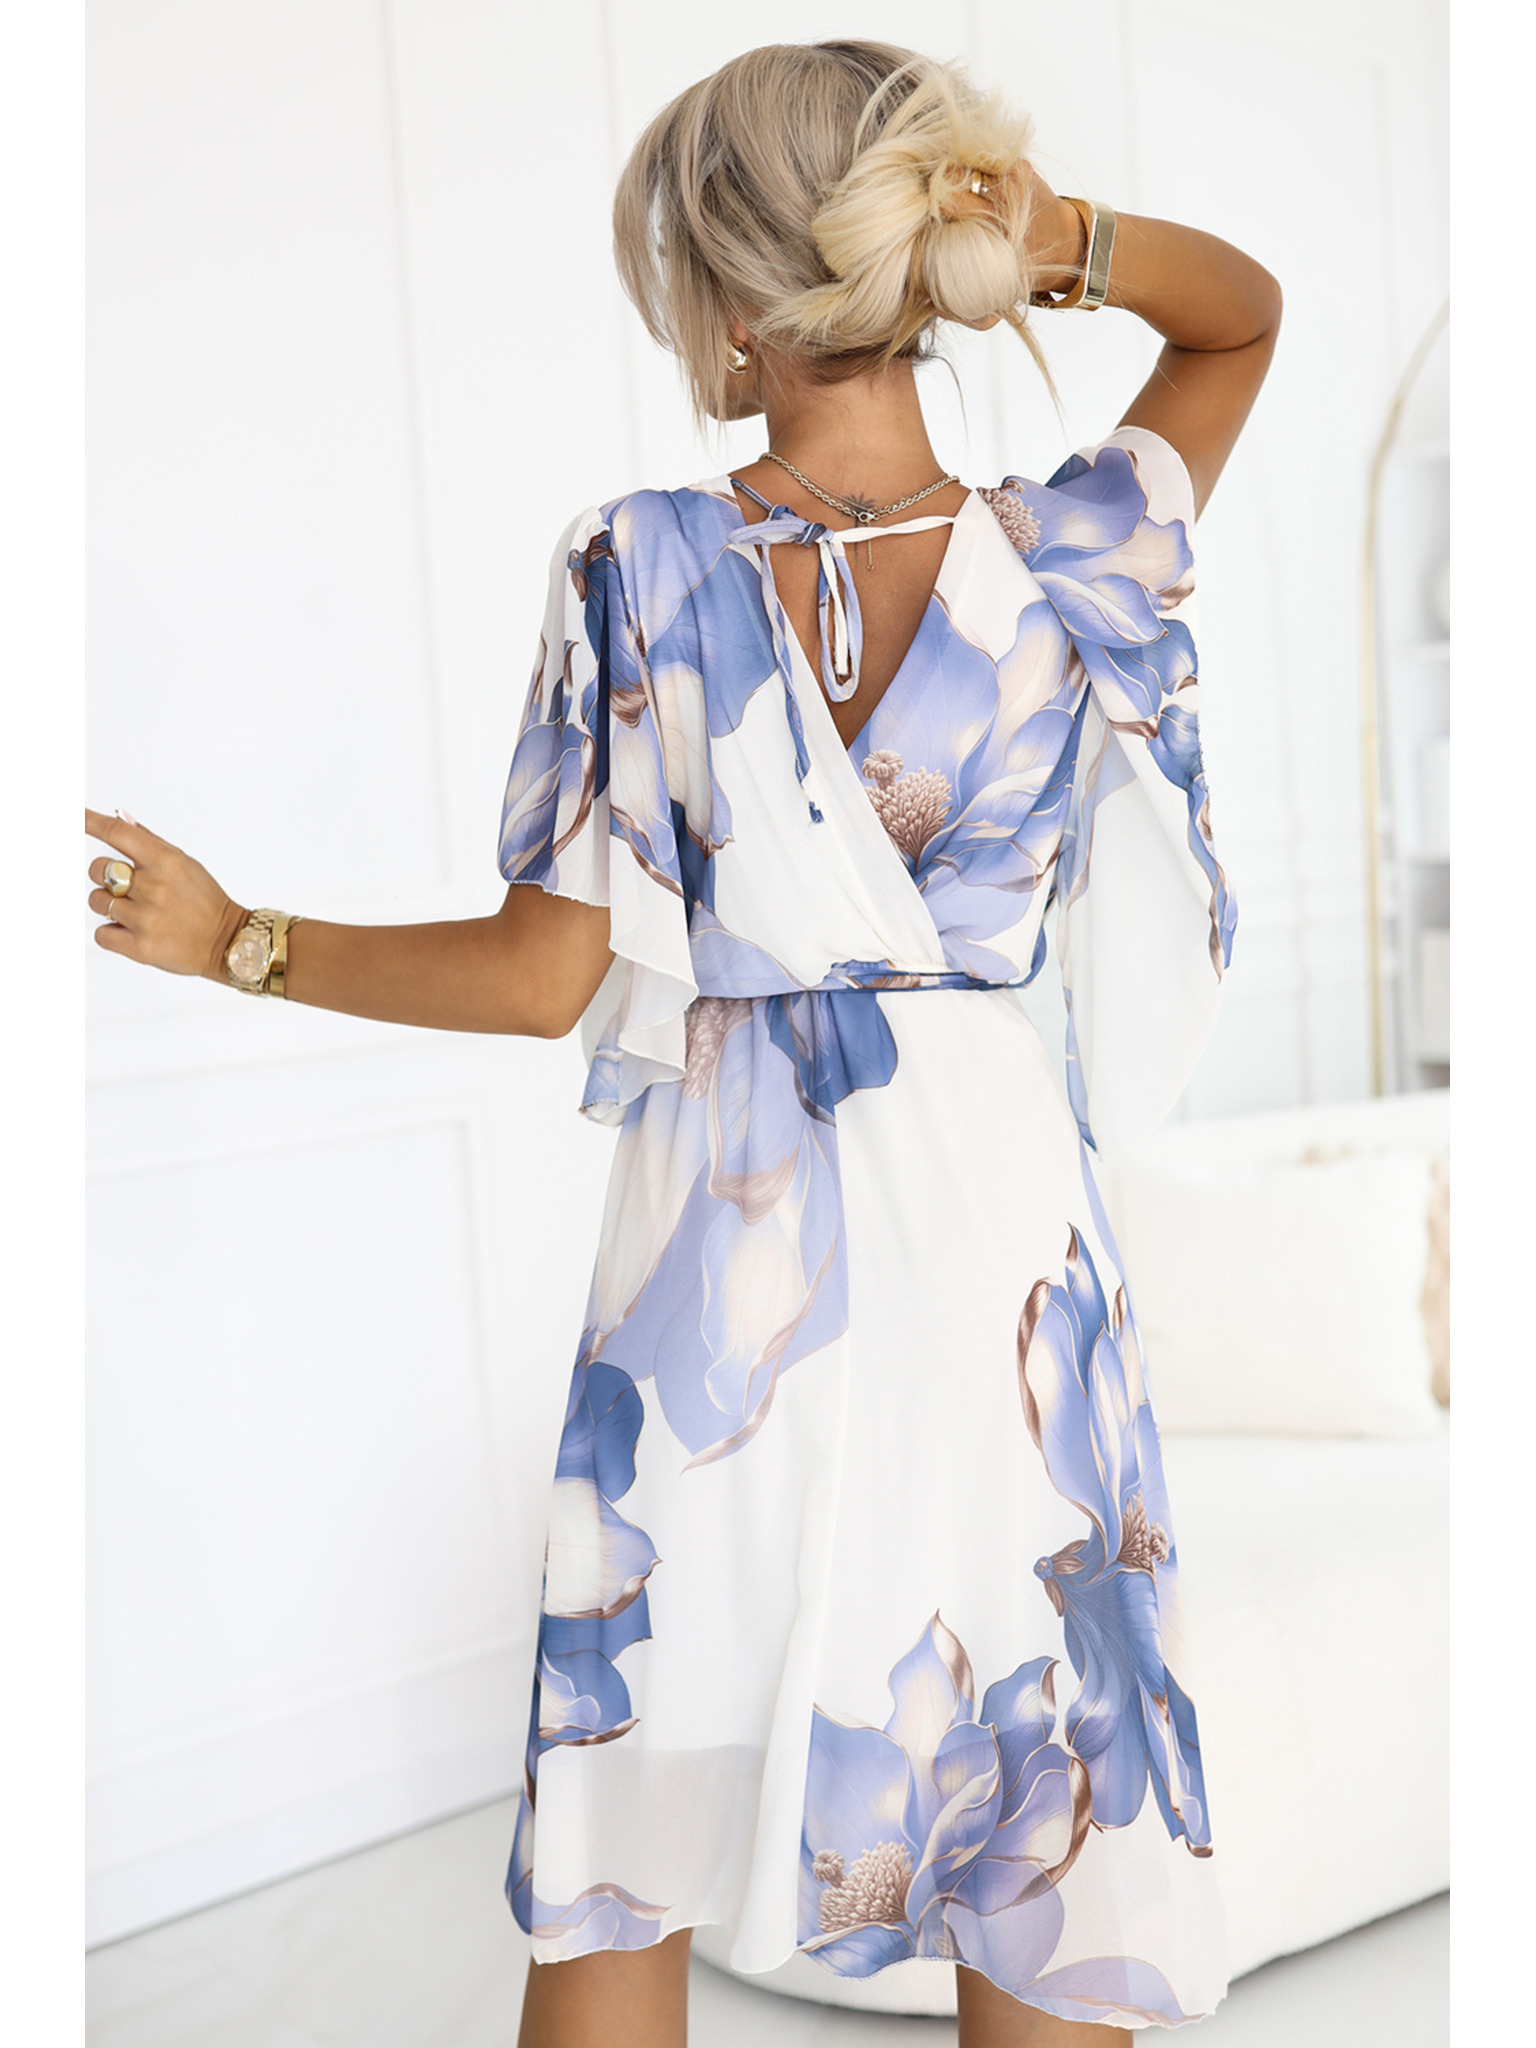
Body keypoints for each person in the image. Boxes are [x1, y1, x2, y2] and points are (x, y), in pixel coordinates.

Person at [84, 38, 1279, 2048]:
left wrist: (241, 944)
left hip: (724, 1252)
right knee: (1045, 1837)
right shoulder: (1080, 546)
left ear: (731, 296)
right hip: (1007, 1259)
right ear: (918, 257)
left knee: (621, 1826)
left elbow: (542, 975)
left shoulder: (635, 560)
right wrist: (1042, 238)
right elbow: (1237, 315)